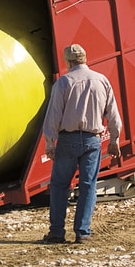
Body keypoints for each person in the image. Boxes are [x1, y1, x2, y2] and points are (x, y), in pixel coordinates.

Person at [40, 43, 123, 244]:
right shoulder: (102, 81)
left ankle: (57, 232)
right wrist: (114, 140)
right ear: (85, 59)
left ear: (68, 61)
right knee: (88, 186)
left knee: (60, 186)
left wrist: (50, 144)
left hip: (67, 139)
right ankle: (82, 232)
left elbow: (53, 116)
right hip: (92, 139)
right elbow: (113, 115)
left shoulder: (63, 83)